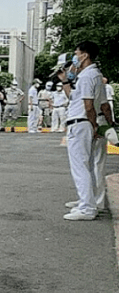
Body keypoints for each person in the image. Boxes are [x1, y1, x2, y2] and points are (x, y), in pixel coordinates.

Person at [63, 41, 112, 220]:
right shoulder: (95, 75)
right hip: (86, 122)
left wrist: (93, 126)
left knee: (80, 166)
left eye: (77, 53)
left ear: (84, 55)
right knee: (89, 166)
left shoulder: (86, 77)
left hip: (81, 123)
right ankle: (88, 201)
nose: (75, 56)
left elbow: (88, 105)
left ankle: (87, 208)